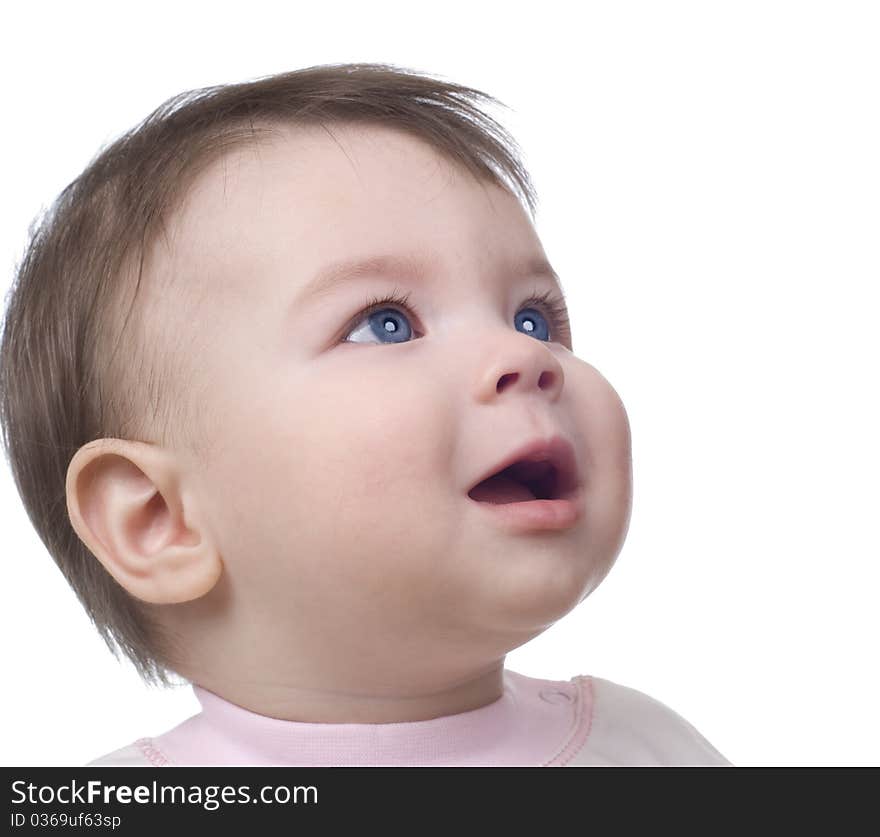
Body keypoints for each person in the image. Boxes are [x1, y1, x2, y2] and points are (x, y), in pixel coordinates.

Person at [0, 63, 730, 766]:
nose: (523, 355)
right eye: (385, 322)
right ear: (159, 517)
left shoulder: (649, 749)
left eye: (534, 318)